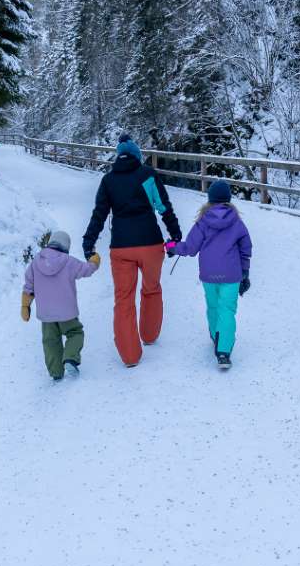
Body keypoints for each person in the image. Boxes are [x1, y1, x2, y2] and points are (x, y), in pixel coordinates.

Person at [82, 134, 182, 368]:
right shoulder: (148, 175)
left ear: (119, 157)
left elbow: (99, 214)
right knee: (152, 289)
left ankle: (129, 356)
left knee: (124, 299)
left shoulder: (108, 181)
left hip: (121, 247)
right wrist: (175, 235)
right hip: (150, 244)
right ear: (137, 156)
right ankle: (148, 335)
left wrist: (89, 242)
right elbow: (163, 207)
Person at [166, 179, 252, 370]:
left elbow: (189, 248)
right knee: (227, 310)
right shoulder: (237, 223)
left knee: (213, 306)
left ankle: (216, 335)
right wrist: (245, 271)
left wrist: (171, 247)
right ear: (228, 199)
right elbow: (246, 249)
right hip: (231, 275)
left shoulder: (203, 222)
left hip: (209, 275)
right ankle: (223, 351)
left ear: (210, 199)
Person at [21, 230, 100, 381]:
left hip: (46, 314)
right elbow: (86, 270)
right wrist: (94, 262)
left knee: (50, 341)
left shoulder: (35, 262)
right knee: (75, 333)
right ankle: (70, 358)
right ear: (66, 246)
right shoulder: (68, 261)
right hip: (67, 312)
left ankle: (56, 372)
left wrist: (25, 306)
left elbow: (28, 287)